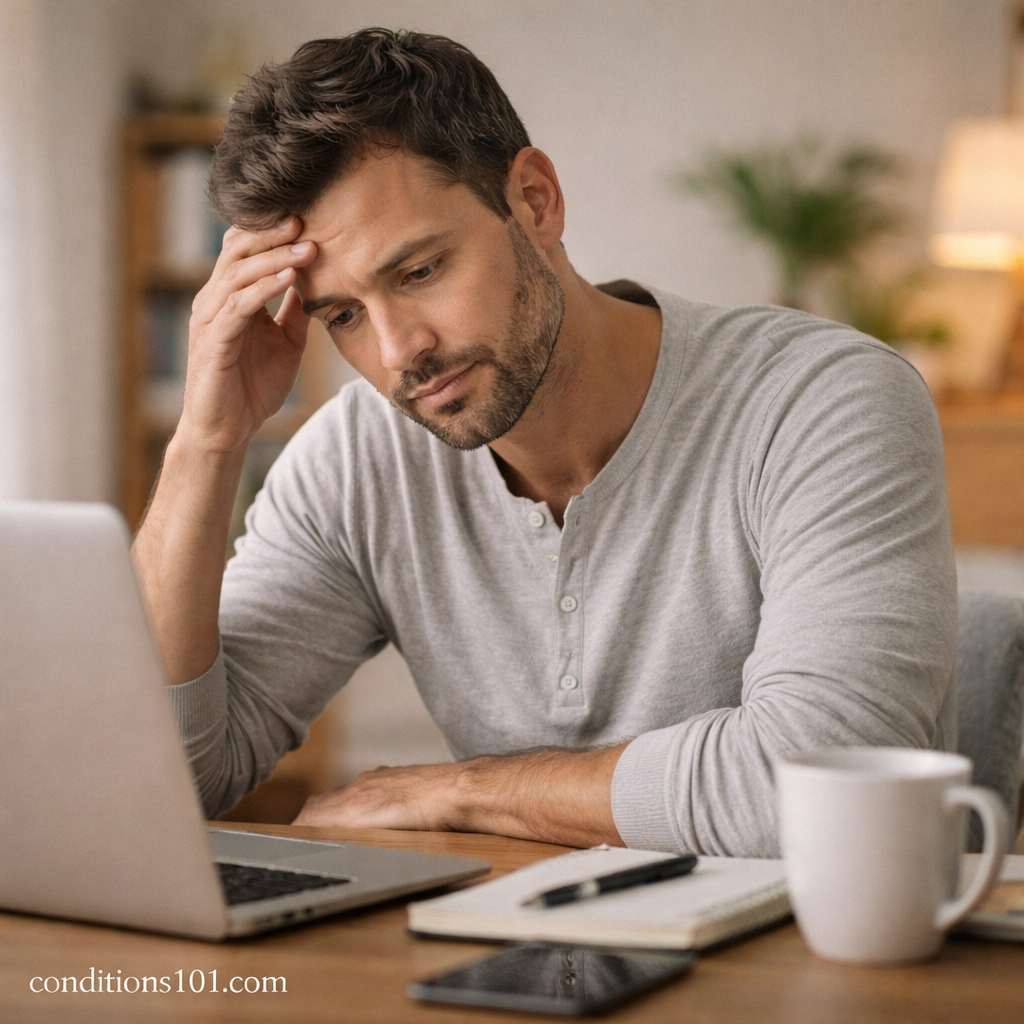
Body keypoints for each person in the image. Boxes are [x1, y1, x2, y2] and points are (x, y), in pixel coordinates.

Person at [131, 28, 957, 858]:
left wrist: (456, 790)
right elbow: (167, 778)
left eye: (419, 271)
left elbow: (822, 791)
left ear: (535, 201)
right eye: (341, 315)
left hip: (810, 969)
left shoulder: (821, 402)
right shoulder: (357, 464)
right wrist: (207, 441)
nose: (396, 352)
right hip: (518, 959)